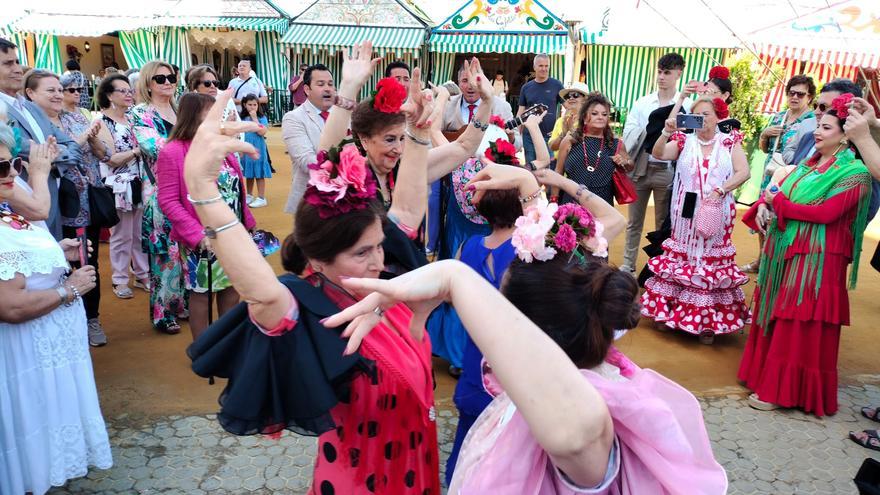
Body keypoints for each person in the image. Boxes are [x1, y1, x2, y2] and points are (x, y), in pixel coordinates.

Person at [325, 164, 727, 494]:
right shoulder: (583, 377)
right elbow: (561, 256)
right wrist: (532, 187)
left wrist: (455, 278)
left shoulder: (588, 413)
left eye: (506, 312)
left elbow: (573, 432)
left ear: (530, 330)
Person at [185, 77, 440, 493]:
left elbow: (408, 210)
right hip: (361, 482)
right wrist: (204, 191)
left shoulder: (387, 291)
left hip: (419, 466)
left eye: (379, 246)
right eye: (362, 253)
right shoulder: (312, 311)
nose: (379, 261)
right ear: (317, 260)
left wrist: (419, 134)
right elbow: (262, 294)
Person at [738, 93, 872, 417]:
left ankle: (782, 392)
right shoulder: (808, 166)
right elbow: (777, 195)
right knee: (779, 316)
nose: (817, 131)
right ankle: (766, 378)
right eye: (819, 125)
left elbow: (826, 214)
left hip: (819, 260)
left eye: (826, 127)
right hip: (789, 252)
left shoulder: (856, 174)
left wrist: (778, 204)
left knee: (797, 324)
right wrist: (762, 206)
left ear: (846, 134)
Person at [318, 43, 502, 274]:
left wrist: (487, 102)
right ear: (364, 139)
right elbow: (325, 158)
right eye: (389, 140)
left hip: (408, 288)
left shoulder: (408, 169)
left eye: (401, 138)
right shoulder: (348, 181)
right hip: (362, 291)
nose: (397, 148)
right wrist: (348, 87)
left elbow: (465, 146)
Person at [0, 125, 113, 494]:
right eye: (3, 168)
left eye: (13, 163)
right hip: (25, 356)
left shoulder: (5, 208)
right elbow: (11, 306)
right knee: (30, 420)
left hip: (45, 355)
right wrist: (68, 289)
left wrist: (53, 255)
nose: (13, 173)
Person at [641, 96, 751, 345]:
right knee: (684, 257)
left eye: (707, 114)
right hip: (685, 211)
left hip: (717, 210)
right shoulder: (683, 140)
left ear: (719, 116)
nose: (702, 119)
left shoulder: (729, 141)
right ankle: (670, 313)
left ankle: (706, 322)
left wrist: (721, 190)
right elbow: (658, 153)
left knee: (708, 260)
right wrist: (665, 133)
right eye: (697, 115)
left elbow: (744, 171)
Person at [157, 93, 255, 342]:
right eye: (211, 113)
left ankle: (228, 344)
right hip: (202, 237)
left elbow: (236, 188)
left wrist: (248, 223)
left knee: (232, 286)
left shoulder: (220, 145)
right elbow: (167, 200)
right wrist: (196, 234)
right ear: (193, 116)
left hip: (232, 232)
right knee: (201, 293)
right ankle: (205, 349)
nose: (218, 119)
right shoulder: (173, 151)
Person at [26, 69, 110, 346]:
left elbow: (101, 154)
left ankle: (91, 318)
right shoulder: (33, 127)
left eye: (60, 90)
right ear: (30, 94)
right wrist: (81, 138)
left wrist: (93, 137)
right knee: (53, 263)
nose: (59, 95)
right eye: (51, 90)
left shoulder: (74, 117)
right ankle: (59, 320)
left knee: (87, 261)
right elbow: (67, 154)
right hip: (48, 207)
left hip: (84, 204)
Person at [0, 38, 82, 240]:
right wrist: (51, 153)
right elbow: (21, 151)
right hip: (19, 207)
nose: (18, 69)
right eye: (8, 64)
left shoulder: (31, 107)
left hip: (51, 199)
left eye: (17, 62)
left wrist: (51, 158)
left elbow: (71, 145)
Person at [620, 52, 692, 274]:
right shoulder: (643, 102)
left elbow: (690, 137)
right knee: (633, 222)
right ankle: (628, 265)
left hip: (668, 171)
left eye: (667, 72)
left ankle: (659, 272)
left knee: (663, 225)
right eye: (660, 72)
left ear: (678, 74)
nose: (661, 77)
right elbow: (628, 132)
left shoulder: (688, 104)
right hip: (640, 167)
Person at [740, 75, 815, 274]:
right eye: (792, 93)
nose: (795, 97)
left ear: (810, 97)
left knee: (783, 218)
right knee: (764, 215)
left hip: (793, 175)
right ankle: (762, 260)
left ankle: (775, 266)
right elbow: (765, 149)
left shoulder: (812, 121)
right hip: (770, 173)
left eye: (801, 94)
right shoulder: (778, 116)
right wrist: (765, 135)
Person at [131, 60, 185, 334]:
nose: (167, 82)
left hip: (187, 190)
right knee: (164, 254)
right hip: (161, 191)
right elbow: (154, 147)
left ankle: (180, 302)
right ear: (148, 83)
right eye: (160, 78)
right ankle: (162, 313)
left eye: (171, 77)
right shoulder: (141, 113)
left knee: (186, 249)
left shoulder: (181, 109)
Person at [95, 74, 150, 302]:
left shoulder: (134, 118)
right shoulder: (101, 122)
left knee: (139, 232)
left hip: (140, 182)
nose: (129, 94)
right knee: (121, 235)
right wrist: (138, 151)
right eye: (123, 91)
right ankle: (119, 278)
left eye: (130, 90)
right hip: (119, 185)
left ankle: (142, 273)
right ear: (109, 95)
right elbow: (111, 158)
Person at [552, 92, 633, 205]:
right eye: (594, 113)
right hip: (571, 204)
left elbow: (630, 166)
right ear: (584, 117)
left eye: (604, 114)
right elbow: (558, 171)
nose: (600, 117)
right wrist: (554, 200)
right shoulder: (570, 140)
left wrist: (624, 162)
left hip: (602, 205)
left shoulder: (615, 143)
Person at [282, 63, 336, 218]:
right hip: (311, 204)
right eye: (320, 84)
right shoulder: (293, 118)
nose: (327, 88)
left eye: (330, 84)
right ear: (307, 89)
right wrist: (345, 168)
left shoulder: (343, 116)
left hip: (344, 201)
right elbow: (306, 161)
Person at [442, 63, 521, 151]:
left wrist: (511, 139)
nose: (470, 86)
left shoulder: (501, 106)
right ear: (458, 82)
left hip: (488, 163)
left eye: (475, 80)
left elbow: (518, 145)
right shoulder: (447, 104)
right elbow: (431, 139)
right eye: (465, 80)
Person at [517, 53, 563, 164]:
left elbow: (567, 108)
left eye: (546, 66)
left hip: (549, 136)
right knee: (531, 170)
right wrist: (517, 136)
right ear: (534, 67)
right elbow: (520, 113)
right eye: (541, 66)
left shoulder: (557, 85)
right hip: (529, 137)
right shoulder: (526, 87)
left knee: (549, 172)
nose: (544, 69)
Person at [239, 94, 271, 207]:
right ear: (244, 105)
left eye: (255, 104)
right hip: (246, 148)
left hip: (258, 148)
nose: (252, 107)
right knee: (249, 172)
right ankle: (249, 195)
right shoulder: (241, 118)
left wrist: (255, 119)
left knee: (259, 173)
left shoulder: (262, 118)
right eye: (250, 104)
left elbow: (262, 132)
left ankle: (261, 198)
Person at [548, 82, 588, 153]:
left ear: (584, 100)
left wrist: (571, 133)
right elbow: (552, 147)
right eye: (568, 96)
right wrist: (563, 135)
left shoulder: (589, 121)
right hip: (560, 162)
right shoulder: (561, 121)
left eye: (575, 95)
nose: (571, 98)